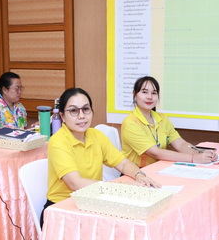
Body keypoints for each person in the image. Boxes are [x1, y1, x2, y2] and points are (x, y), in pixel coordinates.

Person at [42, 87, 160, 226]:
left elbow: (122, 163)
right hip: (62, 210)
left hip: (91, 203)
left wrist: (139, 175)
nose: (81, 116)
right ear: (62, 116)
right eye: (73, 111)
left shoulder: (96, 135)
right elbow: (75, 183)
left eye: (86, 109)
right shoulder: (58, 141)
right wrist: (120, 188)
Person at [121, 76, 217, 167]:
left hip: (159, 168)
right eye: (144, 92)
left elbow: (180, 144)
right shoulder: (130, 123)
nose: (149, 97)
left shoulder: (162, 118)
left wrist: (202, 154)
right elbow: (155, 153)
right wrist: (193, 158)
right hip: (137, 172)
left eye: (154, 93)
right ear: (134, 94)